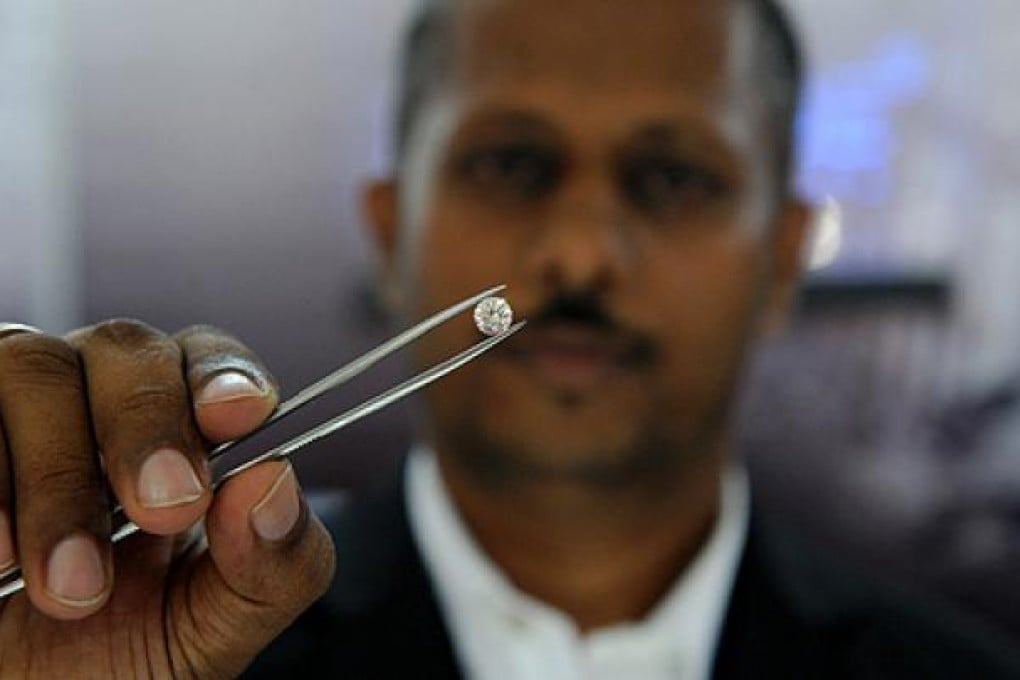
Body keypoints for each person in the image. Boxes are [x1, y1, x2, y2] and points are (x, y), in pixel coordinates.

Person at [0, 0, 1017, 677]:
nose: (578, 251)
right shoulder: (193, 652)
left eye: (673, 178)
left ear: (786, 259)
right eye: (511, 164)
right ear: (392, 231)